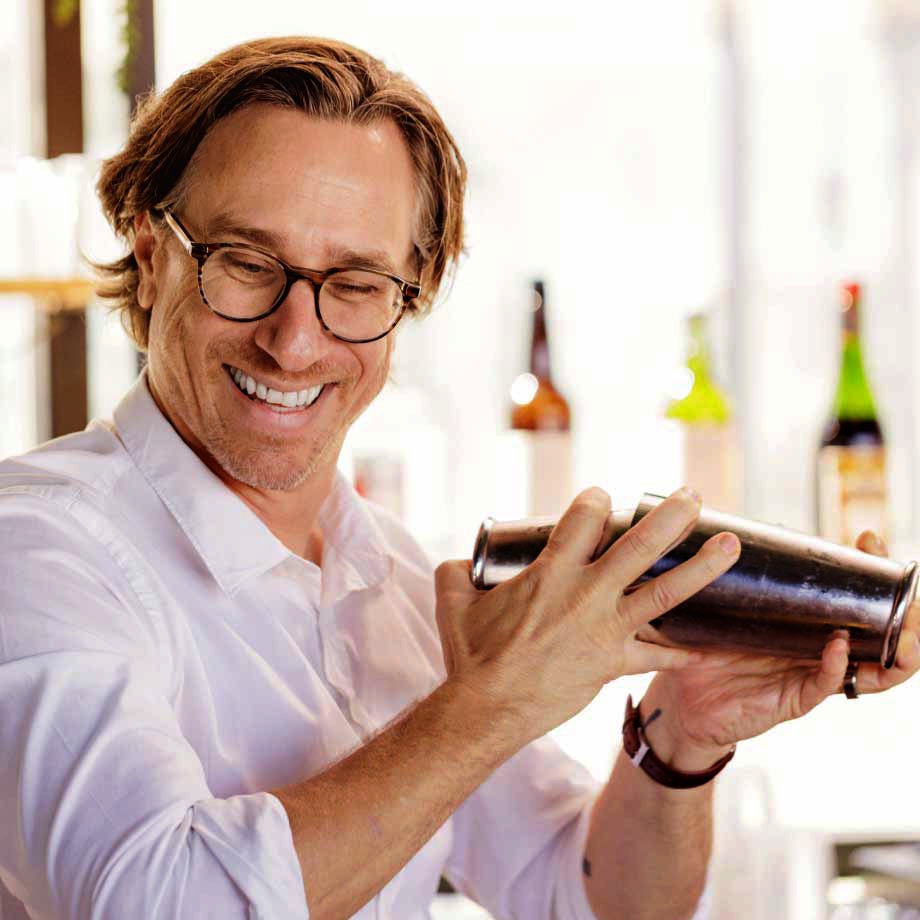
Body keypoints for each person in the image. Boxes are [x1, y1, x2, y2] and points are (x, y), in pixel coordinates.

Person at [0, 36, 916, 920]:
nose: (295, 338)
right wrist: (493, 702)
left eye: (355, 284)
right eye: (245, 264)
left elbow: (590, 899)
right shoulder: (39, 553)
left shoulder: (389, 578)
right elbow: (154, 904)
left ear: (409, 301)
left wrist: (681, 741)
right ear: (152, 256)